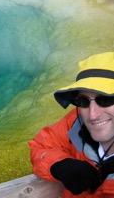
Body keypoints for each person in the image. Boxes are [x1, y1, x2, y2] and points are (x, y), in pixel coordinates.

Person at [29, 52, 114, 197]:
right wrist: (59, 164)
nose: (93, 115)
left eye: (105, 100)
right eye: (83, 101)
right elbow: (41, 145)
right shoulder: (76, 121)